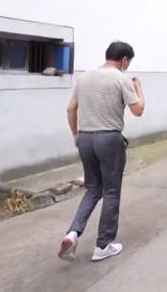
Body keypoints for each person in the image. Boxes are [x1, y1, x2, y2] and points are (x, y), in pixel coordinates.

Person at [58, 41, 145, 263]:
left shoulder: (84, 78)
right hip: (109, 140)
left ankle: (72, 233)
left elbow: (70, 109)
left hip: (85, 139)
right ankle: (103, 246)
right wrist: (138, 88)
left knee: (92, 189)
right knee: (111, 192)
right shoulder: (122, 79)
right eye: (128, 61)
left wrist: (77, 136)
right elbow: (138, 110)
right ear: (124, 60)